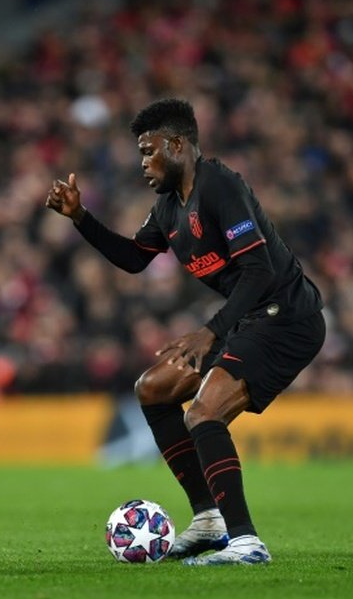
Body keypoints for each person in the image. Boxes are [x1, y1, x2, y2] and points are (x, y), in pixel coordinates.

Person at [46, 98, 325, 565]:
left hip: (286, 316)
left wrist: (211, 331)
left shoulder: (220, 186)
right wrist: (80, 218)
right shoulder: (168, 209)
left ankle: (246, 543)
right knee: (153, 390)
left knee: (203, 413)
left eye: (148, 151)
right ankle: (208, 519)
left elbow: (258, 270)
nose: (143, 164)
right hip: (250, 319)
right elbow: (135, 259)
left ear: (177, 145)